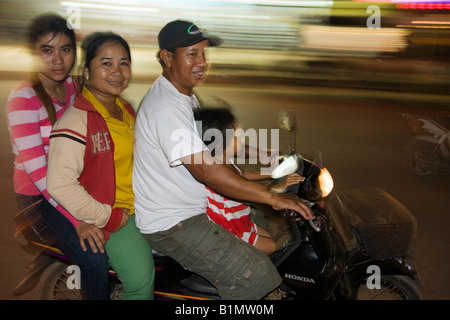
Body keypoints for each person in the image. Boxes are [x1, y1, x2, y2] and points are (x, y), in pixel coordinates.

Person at [133, 20, 313, 300]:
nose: (202, 62)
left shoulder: (184, 97)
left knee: (266, 230)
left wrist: (264, 155)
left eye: (204, 54)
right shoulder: (166, 108)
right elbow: (207, 169)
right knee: (256, 275)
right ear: (167, 58)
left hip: (197, 206)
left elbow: (215, 139)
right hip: (174, 223)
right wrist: (272, 197)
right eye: (192, 54)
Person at [5, 13, 110, 300]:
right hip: (40, 197)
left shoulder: (73, 87)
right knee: (94, 257)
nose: (58, 60)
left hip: (74, 183)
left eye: (65, 49)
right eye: (47, 50)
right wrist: (79, 220)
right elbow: (41, 177)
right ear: (33, 54)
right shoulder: (24, 101)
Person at [47, 32, 155, 300]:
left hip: (143, 206)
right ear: (86, 72)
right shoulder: (75, 123)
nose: (117, 72)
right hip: (115, 216)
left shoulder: (124, 108)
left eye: (124, 63)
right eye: (106, 63)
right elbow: (59, 183)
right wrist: (108, 217)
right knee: (141, 284)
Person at [194, 106, 304, 255]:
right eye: (237, 136)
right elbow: (246, 195)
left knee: (276, 237)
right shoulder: (215, 173)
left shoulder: (223, 160)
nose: (242, 138)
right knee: (275, 246)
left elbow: (243, 174)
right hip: (232, 228)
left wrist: (271, 173)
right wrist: (278, 189)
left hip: (240, 219)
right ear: (220, 143)